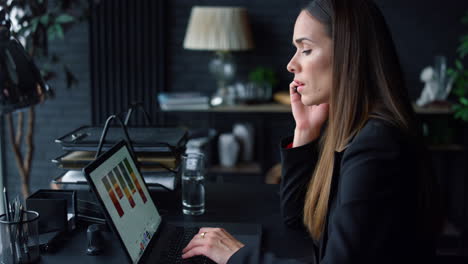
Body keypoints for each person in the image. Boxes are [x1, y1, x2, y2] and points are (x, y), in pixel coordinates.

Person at [181, 0, 442, 263]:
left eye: (305, 49)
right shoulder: (356, 129)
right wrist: (305, 131)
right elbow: (298, 219)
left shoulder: (376, 145)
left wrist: (238, 257)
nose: (291, 65)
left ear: (348, 53)